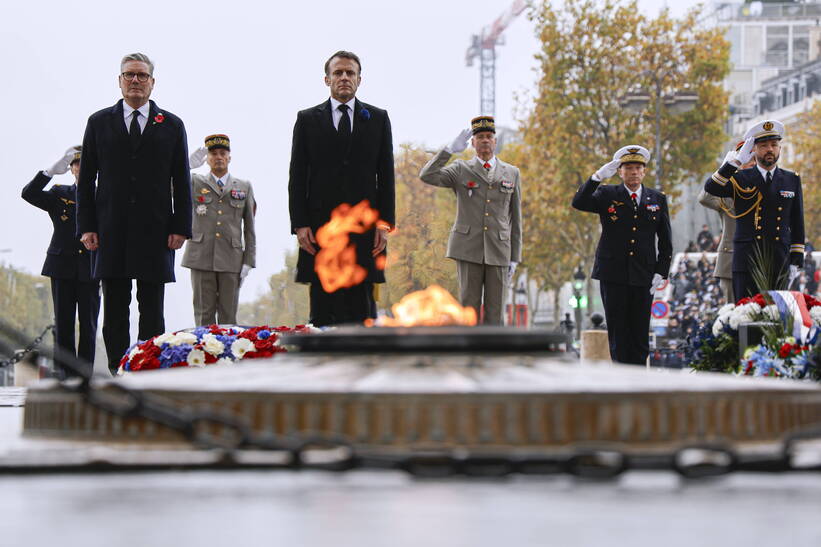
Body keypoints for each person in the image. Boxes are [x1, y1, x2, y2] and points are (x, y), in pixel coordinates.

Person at [76, 53, 192, 375]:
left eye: (142, 76)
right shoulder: (99, 122)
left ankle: (149, 369)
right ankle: (118, 370)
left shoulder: (171, 125)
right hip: (109, 229)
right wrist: (86, 226)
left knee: (152, 307)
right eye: (129, 75)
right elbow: (86, 180)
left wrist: (181, 226)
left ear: (153, 83)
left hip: (156, 230)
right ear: (120, 80)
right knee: (114, 307)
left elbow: (181, 179)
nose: (135, 81)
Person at [288, 50, 395, 326]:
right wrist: (300, 225)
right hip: (321, 230)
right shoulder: (307, 119)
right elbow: (297, 176)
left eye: (350, 73)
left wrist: (384, 225)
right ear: (327, 79)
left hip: (364, 232)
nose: (344, 78)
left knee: (362, 315)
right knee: (323, 314)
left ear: (360, 79)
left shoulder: (379, 119)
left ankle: (363, 366)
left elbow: (385, 176)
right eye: (338, 73)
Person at [571, 145, 673, 365]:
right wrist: (597, 177)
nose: (633, 172)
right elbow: (578, 202)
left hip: (643, 275)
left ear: (644, 171)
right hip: (613, 274)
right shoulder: (607, 194)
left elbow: (666, 241)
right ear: (620, 171)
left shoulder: (657, 198)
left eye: (638, 168)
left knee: (639, 332)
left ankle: (638, 380)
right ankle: (621, 376)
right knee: (618, 332)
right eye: (628, 168)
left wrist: (661, 272)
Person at [419, 116, 522, 324]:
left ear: (495, 142)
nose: (485, 140)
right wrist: (449, 150)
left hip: (499, 250)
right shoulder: (460, 169)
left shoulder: (512, 173)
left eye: (489, 137)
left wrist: (514, 257)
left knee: (496, 314)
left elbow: (516, 218)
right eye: (480, 137)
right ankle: (469, 355)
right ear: (472, 143)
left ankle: (492, 356)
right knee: (468, 311)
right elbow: (427, 175)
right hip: (468, 248)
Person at [703, 120, 804, 300]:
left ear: (780, 148)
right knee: (746, 317)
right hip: (747, 258)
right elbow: (711, 189)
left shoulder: (791, 179)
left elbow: (797, 222)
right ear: (754, 150)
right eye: (763, 145)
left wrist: (796, 259)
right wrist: (734, 163)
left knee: (776, 317)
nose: (770, 150)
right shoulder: (740, 177)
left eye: (774, 145)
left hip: (778, 258)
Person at [21, 147, 100, 378]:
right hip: (61, 265)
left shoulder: (103, 195)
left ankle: (85, 376)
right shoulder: (59, 193)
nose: (80, 168)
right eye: (76, 164)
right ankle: (64, 374)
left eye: (85, 164)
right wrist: (48, 172)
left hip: (91, 266)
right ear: (71, 169)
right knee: (63, 324)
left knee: (88, 325)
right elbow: (29, 194)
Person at [183, 135, 256, 326]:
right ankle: (205, 355)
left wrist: (249, 260)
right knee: (203, 316)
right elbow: (167, 190)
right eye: (213, 153)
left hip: (231, 258)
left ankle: (228, 356)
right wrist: (184, 167)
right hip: (201, 255)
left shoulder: (243, 186)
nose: (218, 157)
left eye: (222, 153)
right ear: (207, 158)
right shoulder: (194, 182)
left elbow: (249, 227)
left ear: (229, 157)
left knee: (228, 317)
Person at [698, 141, 756, 304]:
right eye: (746, 159)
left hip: (761, 260)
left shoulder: (766, 188)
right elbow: (705, 197)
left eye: (753, 159)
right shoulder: (727, 194)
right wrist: (726, 169)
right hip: (731, 260)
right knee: (733, 314)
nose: (750, 163)